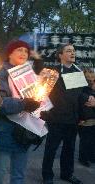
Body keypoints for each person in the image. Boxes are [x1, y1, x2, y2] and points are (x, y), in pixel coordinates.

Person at [0, 40, 41, 184]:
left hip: (25, 132)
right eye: (19, 50)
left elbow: (38, 96)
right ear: (10, 54)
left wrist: (41, 103)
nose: (23, 53)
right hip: (5, 131)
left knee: (19, 176)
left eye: (26, 51)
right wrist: (24, 103)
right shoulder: (0, 75)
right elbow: (0, 104)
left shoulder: (30, 74)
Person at [40, 44, 92, 184]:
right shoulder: (53, 72)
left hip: (73, 119)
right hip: (55, 119)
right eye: (68, 51)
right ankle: (47, 176)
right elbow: (42, 93)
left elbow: (80, 95)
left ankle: (67, 174)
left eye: (74, 51)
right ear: (60, 55)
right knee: (51, 149)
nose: (72, 53)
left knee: (69, 149)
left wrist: (82, 115)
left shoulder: (78, 71)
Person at [77, 70, 95, 167]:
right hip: (85, 119)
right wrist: (81, 118)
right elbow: (80, 103)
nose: (91, 76)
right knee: (85, 140)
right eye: (89, 75)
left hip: (91, 117)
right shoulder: (82, 88)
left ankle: (91, 156)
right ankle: (83, 158)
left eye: (92, 74)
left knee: (91, 140)